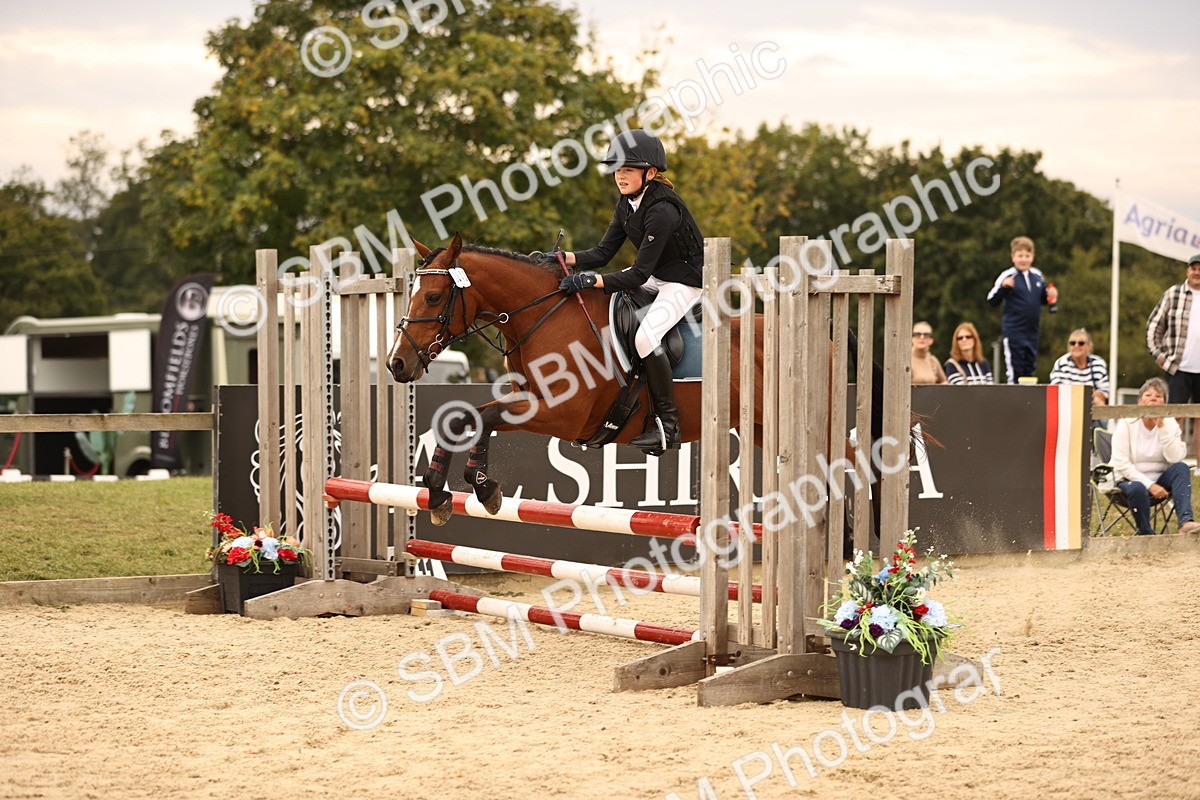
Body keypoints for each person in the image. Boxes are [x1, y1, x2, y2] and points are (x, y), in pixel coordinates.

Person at [549, 129, 704, 453]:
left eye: (628, 169)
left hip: (683, 282)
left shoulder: (662, 211)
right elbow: (603, 252)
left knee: (645, 337)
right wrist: (566, 259)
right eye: (618, 169)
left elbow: (637, 273)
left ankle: (668, 426)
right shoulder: (627, 204)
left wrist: (593, 281)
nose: (620, 175)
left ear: (650, 173)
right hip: (656, 278)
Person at [1109, 377, 1200, 535]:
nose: (1153, 399)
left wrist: (1162, 428)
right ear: (1139, 401)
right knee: (1137, 487)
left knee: (1182, 468)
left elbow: (1175, 458)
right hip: (1129, 481)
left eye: (1158, 396)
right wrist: (1149, 485)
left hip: (1161, 479)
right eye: (1148, 395)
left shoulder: (1171, 424)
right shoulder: (1126, 423)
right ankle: (1145, 532)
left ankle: (1185, 522)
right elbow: (1121, 464)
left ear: (1164, 403)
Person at [1146, 252, 1200, 470]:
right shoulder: (1173, 294)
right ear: (1187, 270)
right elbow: (1153, 326)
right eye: (1193, 268)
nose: (1197, 272)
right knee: (1174, 417)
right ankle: (1172, 464)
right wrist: (1158, 355)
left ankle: (1199, 467)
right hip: (1178, 367)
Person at [986, 236, 1057, 383]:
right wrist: (1003, 287)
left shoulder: (1037, 276)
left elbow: (1043, 299)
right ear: (1013, 257)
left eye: (1027, 256)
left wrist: (1051, 295)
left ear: (1032, 257)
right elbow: (992, 300)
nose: (1023, 259)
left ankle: (1027, 403)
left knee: (1029, 369)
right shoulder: (1007, 275)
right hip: (1014, 332)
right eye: (1020, 256)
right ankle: (1013, 403)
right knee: (1014, 370)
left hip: (1032, 331)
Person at [1049, 328, 1108, 407]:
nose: (1076, 346)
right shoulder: (1061, 363)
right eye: (1072, 343)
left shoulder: (1098, 363)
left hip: (1093, 410)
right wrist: (1089, 394)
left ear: (1089, 346)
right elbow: (1058, 392)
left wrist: (1076, 393)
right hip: (1067, 408)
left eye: (1081, 343)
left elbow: (1104, 394)